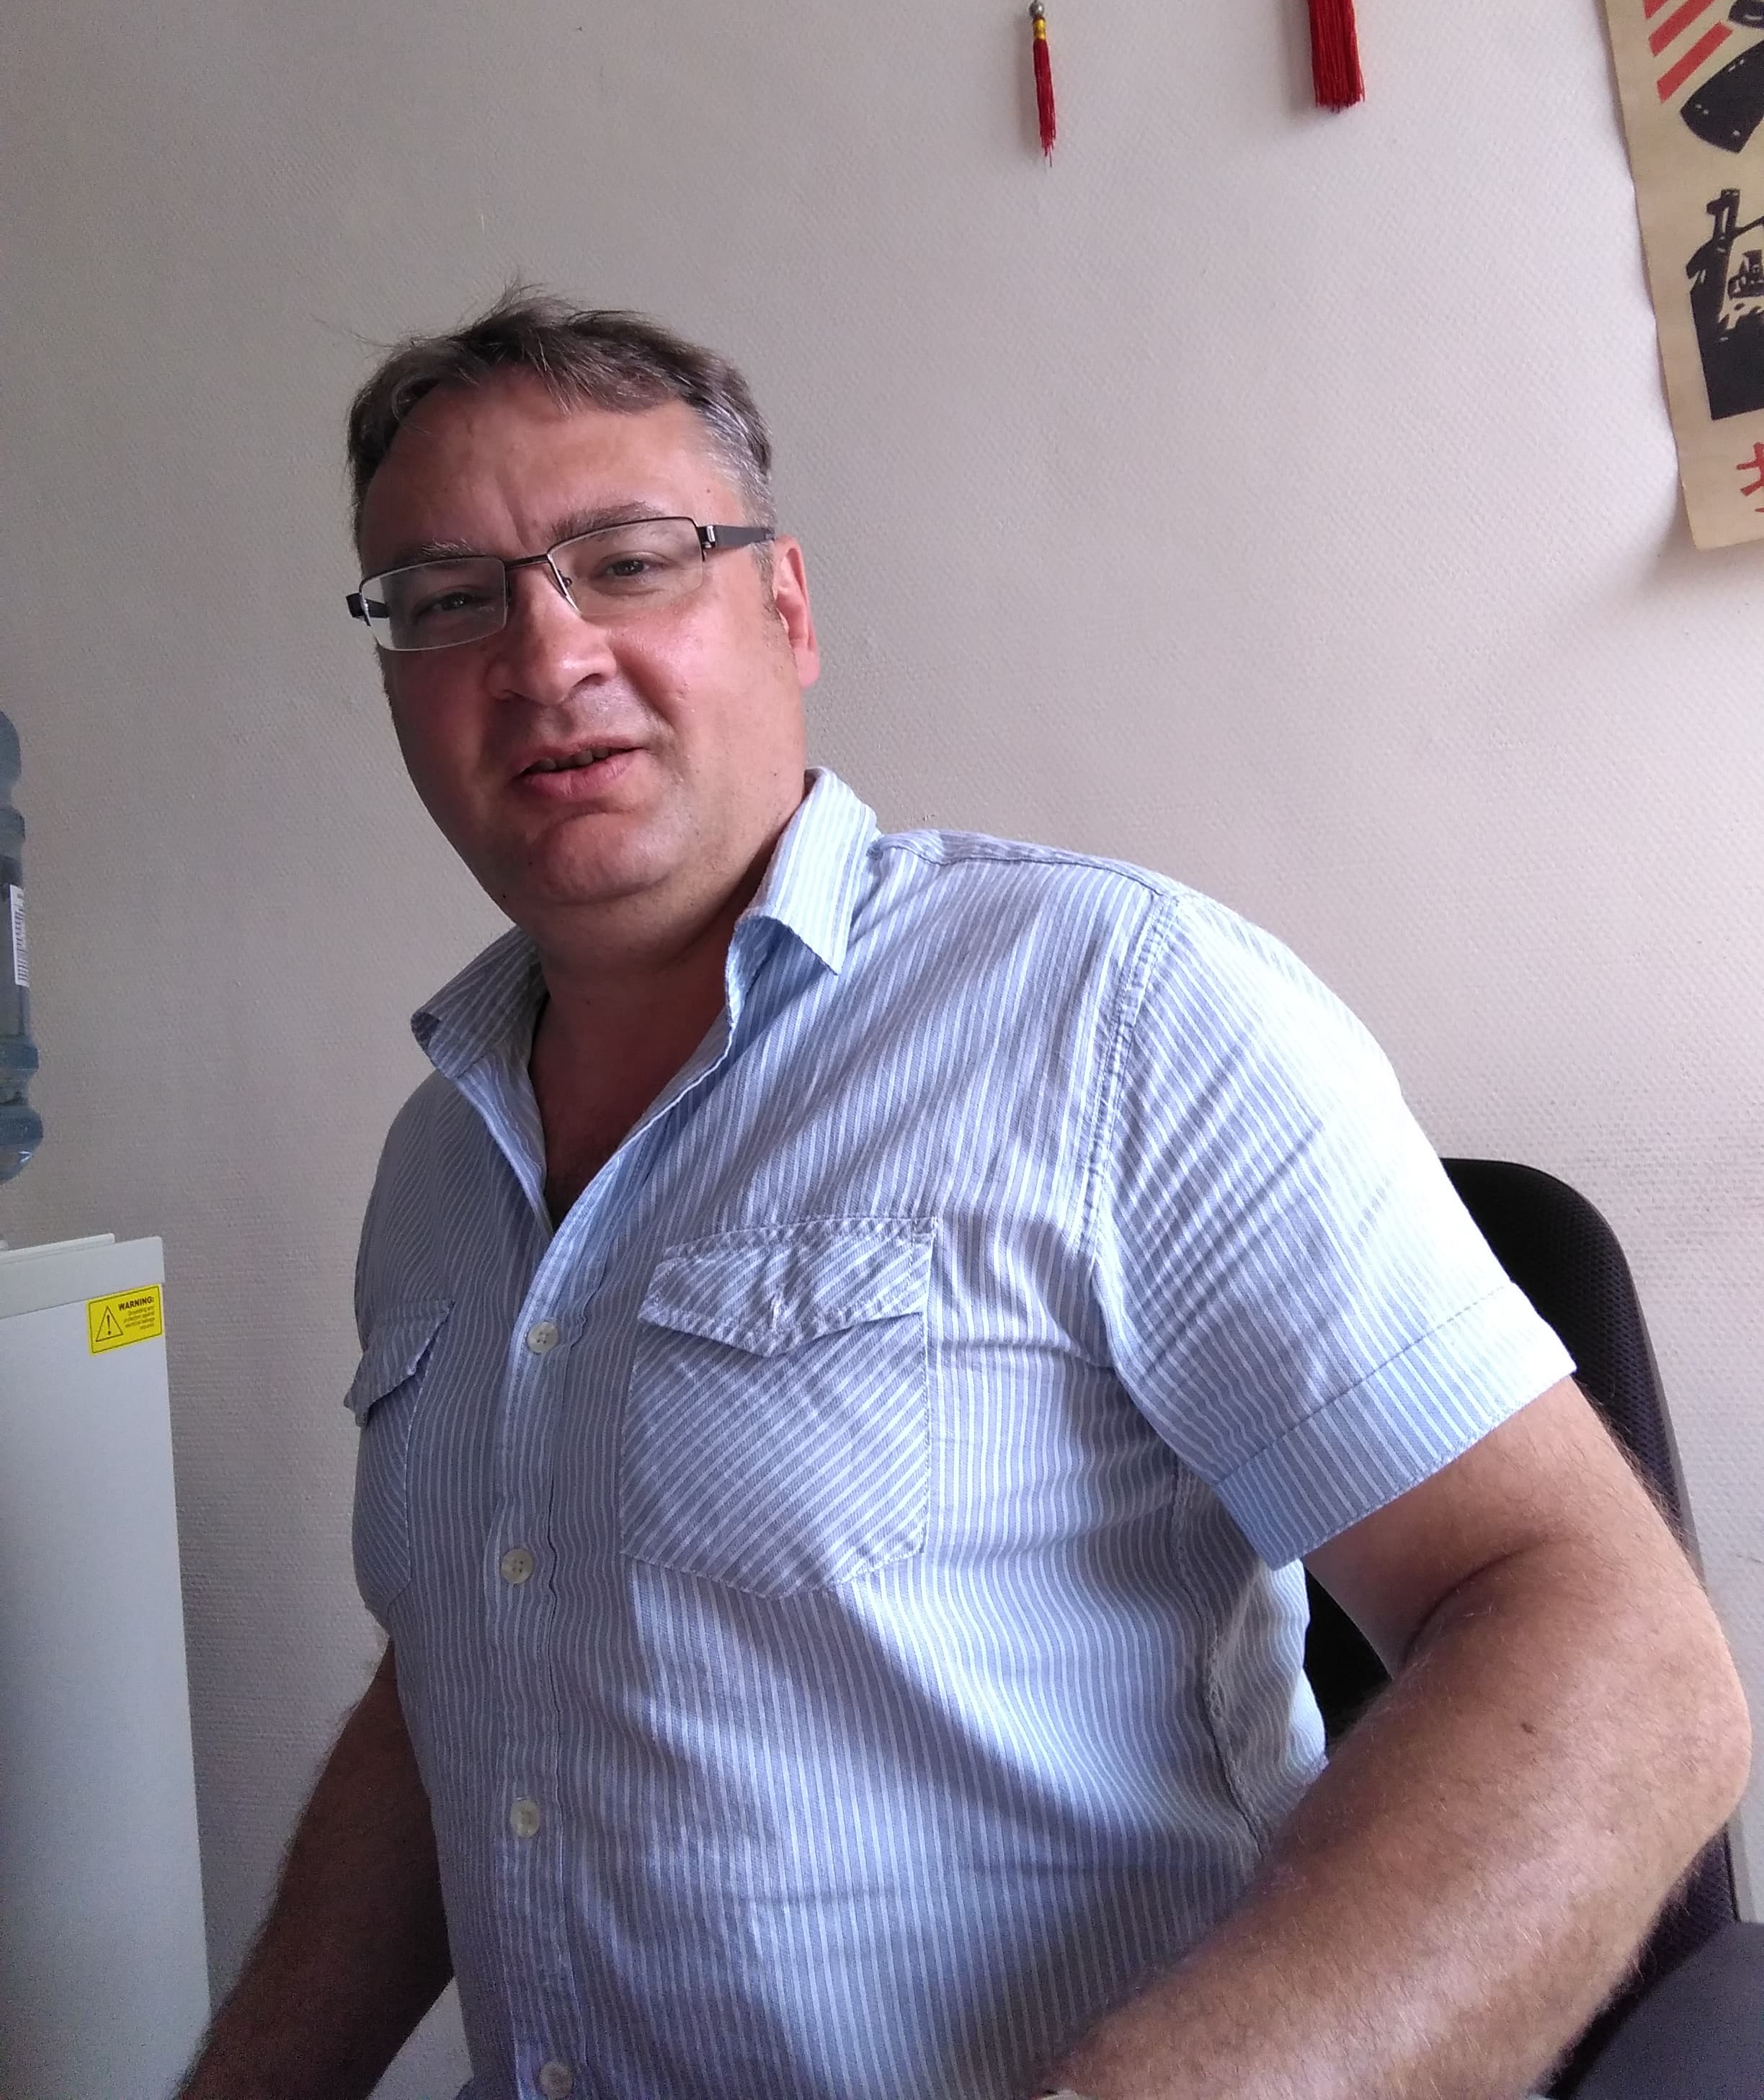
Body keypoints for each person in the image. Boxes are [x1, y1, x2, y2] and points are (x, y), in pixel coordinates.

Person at [180, 291, 1750, 2100]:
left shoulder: (1113, 1008)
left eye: (628, 561)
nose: (544, 656)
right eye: (449, 599)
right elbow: (465, 1681)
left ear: (785, 608)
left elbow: (1616, 1653)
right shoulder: (438, 1161)